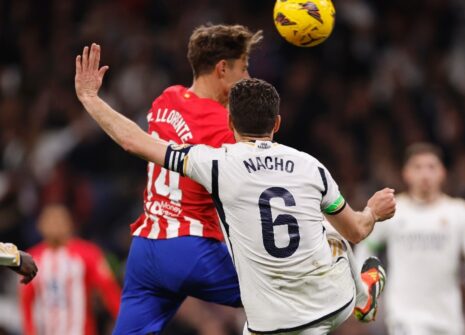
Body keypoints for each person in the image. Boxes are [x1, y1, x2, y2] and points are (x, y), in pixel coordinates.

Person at [75, 42, 395, 334]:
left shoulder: (215, 164)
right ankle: (362, 295)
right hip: (327, 305)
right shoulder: (311, 167)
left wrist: (90, 97)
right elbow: (357, 231)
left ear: (229, 124)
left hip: (267, 321)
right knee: (330, 230)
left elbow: (134, 141)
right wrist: (373, 211)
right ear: (277, 123)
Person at [114, 24, 263, 334]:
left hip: (145, 247)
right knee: (280, 296)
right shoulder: (226, 126)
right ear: (223, 68)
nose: (247, 78)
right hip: (191, 248)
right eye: (244, 68)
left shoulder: (165, 100)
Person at [356, 143, 465, 335]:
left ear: (442, 172)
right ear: (406, 173)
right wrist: (365, 283)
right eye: (418, 167)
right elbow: (365, 242)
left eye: (431, 167)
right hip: (405, 316)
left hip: (448, 318)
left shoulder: (459, 212)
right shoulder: (393, 210)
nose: (425, 174)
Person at [19, 204, 121, 335]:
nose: (54, 225)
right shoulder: (31, 258)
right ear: (40, 225)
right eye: (50, 221)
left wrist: (127, 325)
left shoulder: (87, 253)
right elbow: (26, 302)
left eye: (59, 220)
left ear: (70, 224)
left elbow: (109, 291)